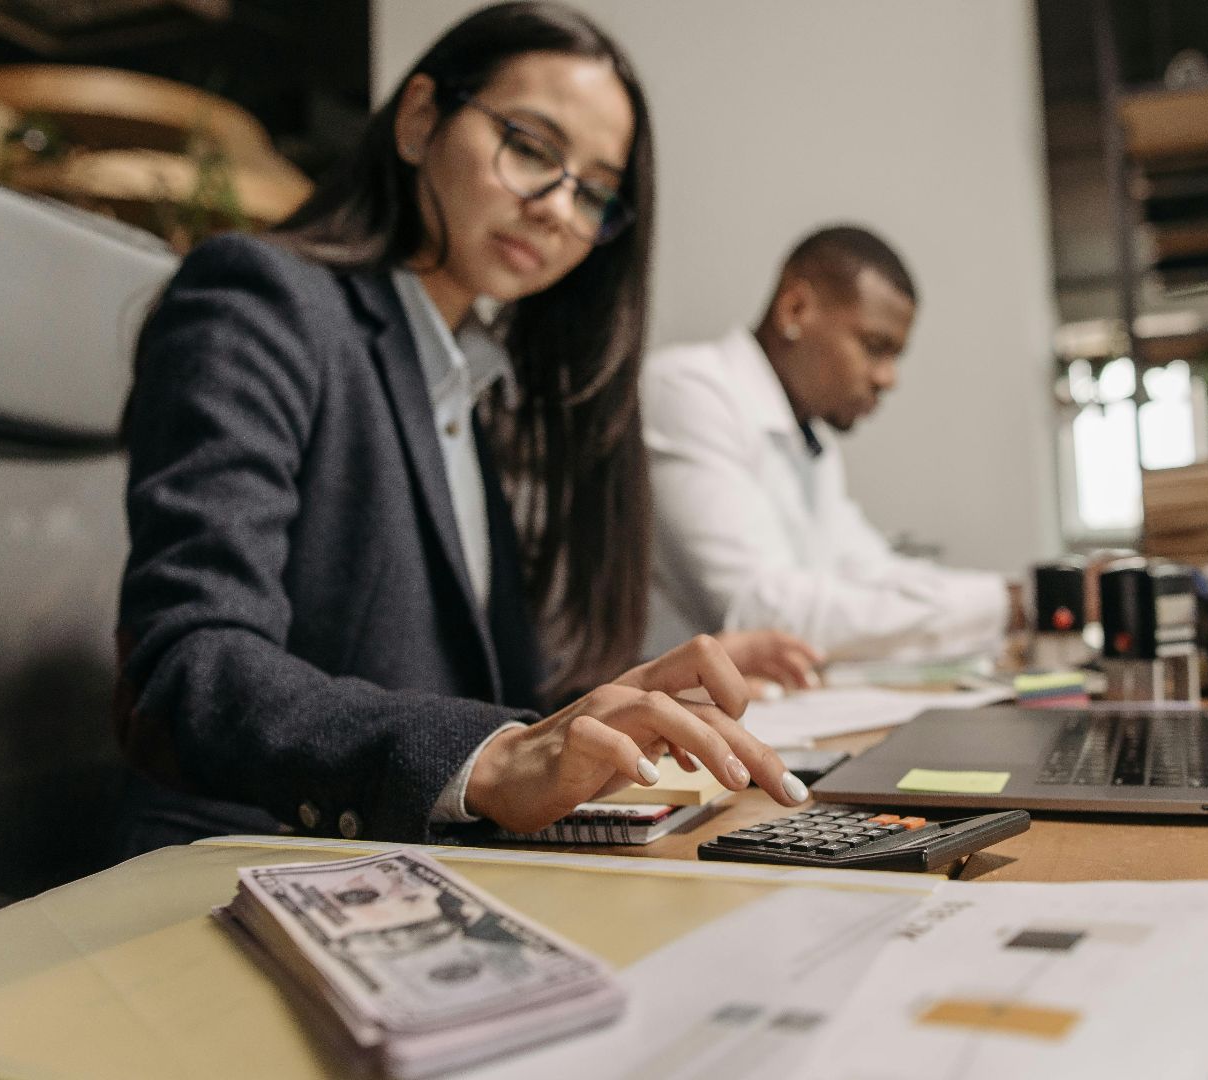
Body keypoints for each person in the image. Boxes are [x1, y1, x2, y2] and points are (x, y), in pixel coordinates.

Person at [113, 1, 810, 854]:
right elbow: (193, 664)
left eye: (594, 191)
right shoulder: (258, 300)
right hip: (242, 862)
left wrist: (623, 700)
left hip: (415, 862)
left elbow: (449, 684)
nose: (558, 207)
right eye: (531, 148)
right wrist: (494, 757)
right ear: (418, 120)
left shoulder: (464, 376)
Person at [642, 225, 1023, 664]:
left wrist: (1017, 595)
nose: (888, 379)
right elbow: (758, 612)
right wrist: (1009, 604)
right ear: (795, 310)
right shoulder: (689, 390)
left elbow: (870, 572)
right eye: (875, 347)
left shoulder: (810, 440)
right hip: (645, 720)